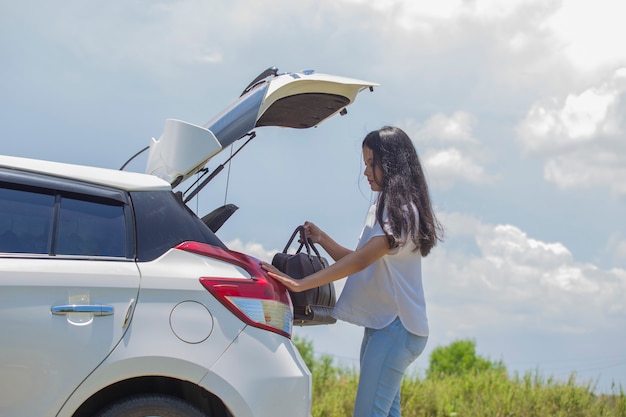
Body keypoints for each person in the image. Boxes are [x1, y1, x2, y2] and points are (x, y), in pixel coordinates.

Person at [261, 125, 443, 417]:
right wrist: (323, 239)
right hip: (383, 325)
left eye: (372, 163)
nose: (366, 172)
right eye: (365, 164)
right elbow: (361, 259)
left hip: (397, 328)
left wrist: (300, 283)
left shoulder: (403, 211)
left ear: (392, 164)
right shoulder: (383, 207)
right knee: (385, 412)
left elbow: (359, 262)